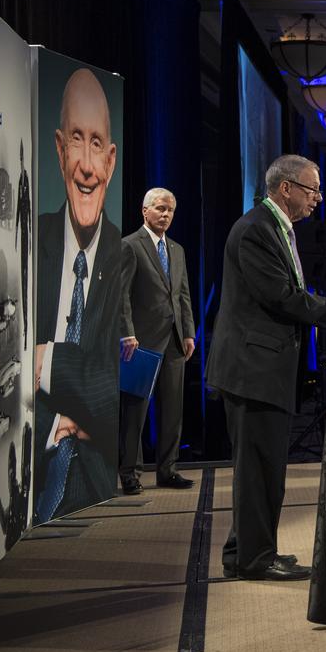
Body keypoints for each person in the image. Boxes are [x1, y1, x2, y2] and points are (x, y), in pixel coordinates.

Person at [206, 155, 326, 581]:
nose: (318, 199)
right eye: (312, 189)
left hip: (261, 368)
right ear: (286, 188)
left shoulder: (274, 229)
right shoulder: (255, 231)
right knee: (259, 471)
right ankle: (256, 559)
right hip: (253, 369)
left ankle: (242, 552)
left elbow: (287, 292)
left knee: (259, 469)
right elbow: (280, 297)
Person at [33, 68, 124, 525]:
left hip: (94, 478)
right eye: (75, 139)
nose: (86, 167)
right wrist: (73, 409)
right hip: (25, 464)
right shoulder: (28, 243)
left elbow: (113, 396)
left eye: (96, 144)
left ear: (110, 159)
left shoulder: (123, 256)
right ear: (57, 148)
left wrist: (45, 360)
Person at [118, 187, 196, 494]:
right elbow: (121, 294)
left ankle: (167, 470)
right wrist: (127, 333)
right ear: (145, 211)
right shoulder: (130, 246)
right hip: (141, 342)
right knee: (135, 411)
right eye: (160, 208)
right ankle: (129, 473)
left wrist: (189, 332)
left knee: (172, 411)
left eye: (170, 210)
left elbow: (183, 295)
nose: (166, 214)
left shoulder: (176, 249)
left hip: (175, 342)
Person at [15, 139, 31, 342]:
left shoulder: (25, 178)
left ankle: (26, 330)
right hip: (24, 234)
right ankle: (25, 330)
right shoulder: (21, 178)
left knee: (25, 277)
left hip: (26, 236)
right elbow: (20, 209)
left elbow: (24, 210)